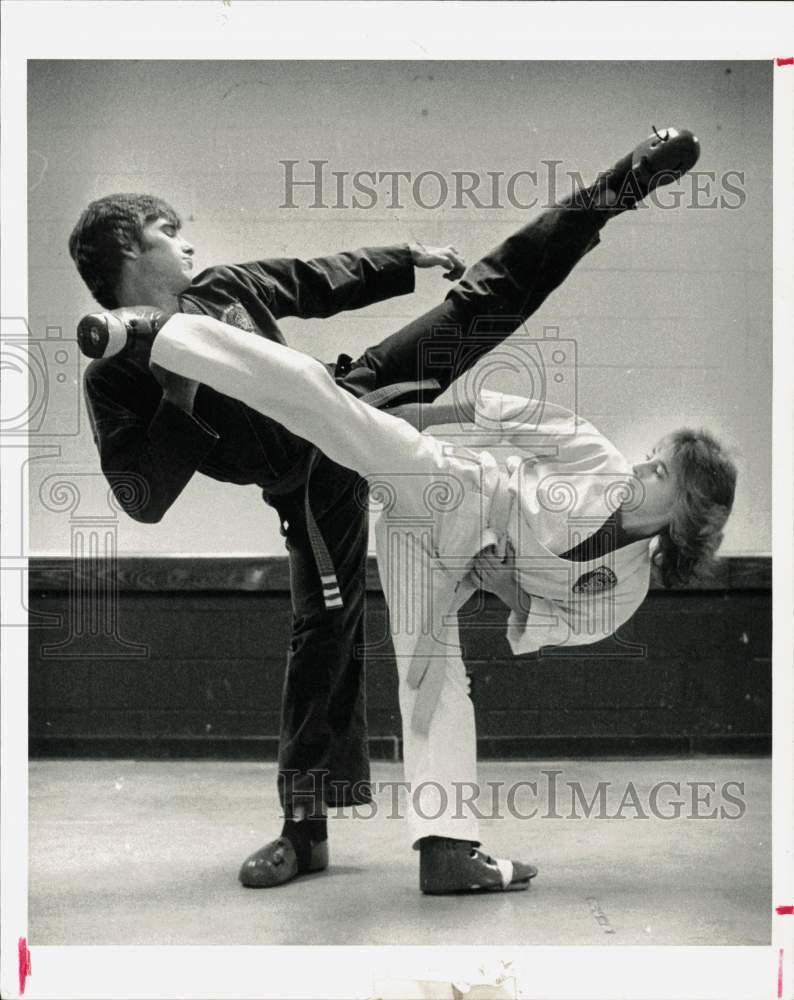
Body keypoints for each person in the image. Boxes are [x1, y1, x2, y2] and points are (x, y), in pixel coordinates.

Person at [72, 127, 709, 893]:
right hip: (307, 484)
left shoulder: (226, 290)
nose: (187, 244)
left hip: (360, 394)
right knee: (322, 637)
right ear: (126, 258)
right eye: (168, 235)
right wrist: (175, 393)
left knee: (485, 303)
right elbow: (142, 498)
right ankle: (303, 834)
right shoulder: (113, 380)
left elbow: (312, 279)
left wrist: (403, 261)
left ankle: (619, 186)